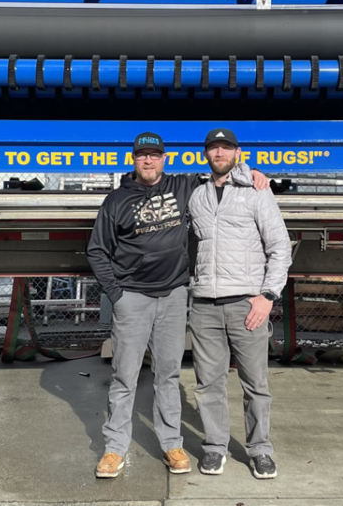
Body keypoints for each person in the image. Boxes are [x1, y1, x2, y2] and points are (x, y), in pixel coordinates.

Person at [87, 131, 267, 479]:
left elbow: (223, 170)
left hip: (173, 296)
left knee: (167, 375)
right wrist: (117, 295)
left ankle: (171, 443)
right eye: (142, 156)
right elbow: (97, 250)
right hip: (133, 298)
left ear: (164, 158)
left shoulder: (184, 186)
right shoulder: (116, 200)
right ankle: (114, 449)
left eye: (155, 155)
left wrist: (253, 171)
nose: (148, 160)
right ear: (134, 159)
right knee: (125, 377)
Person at [187, 127, 292, 480]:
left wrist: (268, 297)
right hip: (204, 305)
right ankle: (215, 448)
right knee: (207, 384)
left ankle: (260, 450)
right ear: (205, 154)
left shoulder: (256, 192)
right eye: (214, 148)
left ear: (238, 152)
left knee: (255, 384)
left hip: (247, 305)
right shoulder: (196, 194)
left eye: (225, 148)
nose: (219, 153)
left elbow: (280, 247)